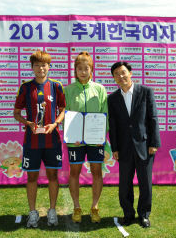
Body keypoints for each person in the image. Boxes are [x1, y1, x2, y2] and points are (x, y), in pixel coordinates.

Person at [14, 50, 66, 228]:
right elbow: (16, 112)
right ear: (32, 67)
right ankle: (32, 213)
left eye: (44, 65)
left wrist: (55, 124)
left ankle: (52, 211)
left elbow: (63, 109)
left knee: (53, 176)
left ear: (49, 67)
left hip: (53, 141)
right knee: (31, 178)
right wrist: (28, 122)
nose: (40, 68)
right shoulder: (26, 87)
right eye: (37, 65)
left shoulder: (57, 86)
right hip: (32, 141)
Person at [107, 61, 161, 228]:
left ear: (130, 73)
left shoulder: (146, 92)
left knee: (145, 183)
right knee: (124, 184)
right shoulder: (112, 98)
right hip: (123, 148)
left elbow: (153, 118)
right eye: (117, 74)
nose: (121, 76)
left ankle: (144, 215)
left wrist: (154, 143)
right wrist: (114, 148)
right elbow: (113, 124)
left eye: (123, 72)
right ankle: (128, 214)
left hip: (145, 146)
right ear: (114, 78)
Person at [64, 51, 108, 223]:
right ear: (75, 70)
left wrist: (100, 136)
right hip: (75, 141)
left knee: (97, 172)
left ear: (91, 70)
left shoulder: (100, 89)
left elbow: (105, 114)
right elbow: (64, 114)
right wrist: (70, 133)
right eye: (79, 68)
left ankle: (94, 207)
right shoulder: (67, 90)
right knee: (75, 171)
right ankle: (76, 207)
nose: (83, 72)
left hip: (95, 140)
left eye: (86, 68)